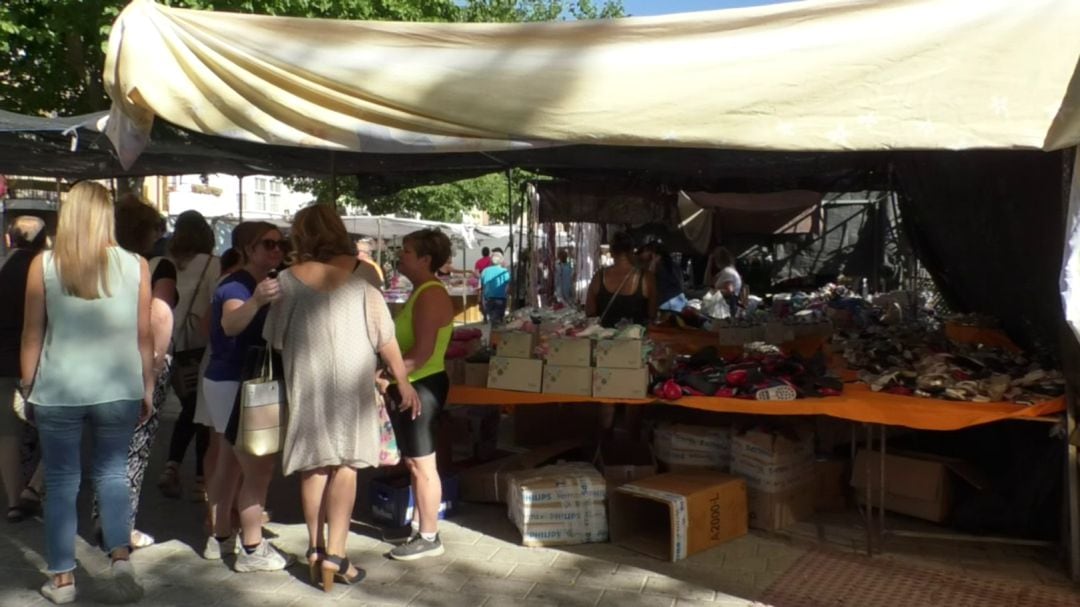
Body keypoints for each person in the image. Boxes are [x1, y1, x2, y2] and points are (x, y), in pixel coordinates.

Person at [263, 205, 420, 589]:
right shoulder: (363, 279)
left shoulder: (286, 280)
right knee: (346, 465)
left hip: (308, 382)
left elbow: (276, 338)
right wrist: (404, 382)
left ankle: (315, 549)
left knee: (312, 466)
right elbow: (386, 340)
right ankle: (337, 553)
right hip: (353, 385)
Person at [20, 182, 153, 604]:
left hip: (58, 387)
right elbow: (144, 335)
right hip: (119, 386)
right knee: (112, 475)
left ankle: (62, 579)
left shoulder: (43, 265)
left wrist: (27, 386)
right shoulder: (137, 265)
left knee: (60, 482)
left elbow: (32, 334)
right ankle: (120, 561)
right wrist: (147, 387)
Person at [202, 221, 290, 571]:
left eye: (281, 244)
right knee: (258, 465)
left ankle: (220, 535)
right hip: (236, 382)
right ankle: (252, 547)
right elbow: (230, 324)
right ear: (248, 249)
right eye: (268, 244)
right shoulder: (238, 284)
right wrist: (256, 300)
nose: (277, 251)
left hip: (238, 381)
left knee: (228, 463)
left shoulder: (260, 282)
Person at [102, 198, 178, 550]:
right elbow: (160, 314)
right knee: (135, 449)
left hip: (105, 362)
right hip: (141, 363)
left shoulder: (102, 265)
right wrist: (156, 364)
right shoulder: (159, 266)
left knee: (108, 449)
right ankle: (122, 528)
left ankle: (103, 519)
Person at [385, 229, 455, 561]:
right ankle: (419, 526)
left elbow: (422, 353)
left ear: (426, 259)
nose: (401, 255)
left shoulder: (430, 294)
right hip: (413, 383)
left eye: (408, 251)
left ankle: (429, 535)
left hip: (421, 385)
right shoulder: (421, 292)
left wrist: (386, 376)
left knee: (423, 464)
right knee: (414, 462)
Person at [159, 211, 220, 502]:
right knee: (200, 413)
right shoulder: (212, 264)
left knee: (190, 409)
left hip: (166, 346)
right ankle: (199, 479)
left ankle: (174, 468)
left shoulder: (160, 263)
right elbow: (216, 304)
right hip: (198, 346)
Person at [0, 216, 47, 523]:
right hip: (42, 358)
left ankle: (15, 498)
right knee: (56, 427)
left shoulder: (2, 267)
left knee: (6, 432)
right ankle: (35, 487)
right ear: (45, 241)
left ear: (9, 239)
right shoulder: (46, 271)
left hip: (2, 360)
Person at [586, 232, 657, 328]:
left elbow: (590, 313)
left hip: (604, 341)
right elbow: (652, 315)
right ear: (632, 251)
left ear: (611, 252)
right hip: (636, 342)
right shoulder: (647, 278)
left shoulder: (599, 277)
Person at [638, 241, 687, 313]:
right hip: (680, 302)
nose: (643, 254)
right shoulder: (673, 265)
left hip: (667, 305)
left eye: (645, 251)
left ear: (653, 254)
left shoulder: (656, 267)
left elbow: (652, 289)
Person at [479, 250, 511, 326]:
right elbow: (508, 286)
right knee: (498, 321)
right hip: (501, 298)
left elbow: (481, 286)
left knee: (492, 320)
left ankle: (493, 333)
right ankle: (496, 335)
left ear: (491, 260)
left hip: (488, 299)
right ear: (501, 261)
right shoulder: (505, 271)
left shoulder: (485, 271)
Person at [710, 247, 742, 313]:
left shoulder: (727, 272)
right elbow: (708, 281)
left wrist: (714, 291)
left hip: (724, 307)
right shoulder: (730, 270)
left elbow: (729, 291)